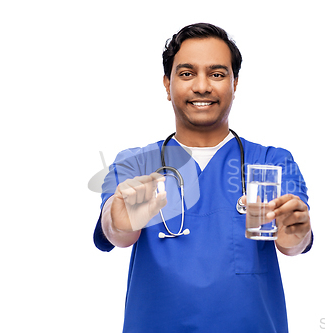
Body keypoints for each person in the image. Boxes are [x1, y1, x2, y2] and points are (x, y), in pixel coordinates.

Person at [93, 23, 313, 332]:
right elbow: (116, 233)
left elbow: (292, 242)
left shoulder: (271, 162)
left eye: (217, 74)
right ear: (167, 85)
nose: (202, 86)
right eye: (186, 74)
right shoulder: (137, 164)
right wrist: (118, 220)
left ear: (234, 84)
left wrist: (296, 231)